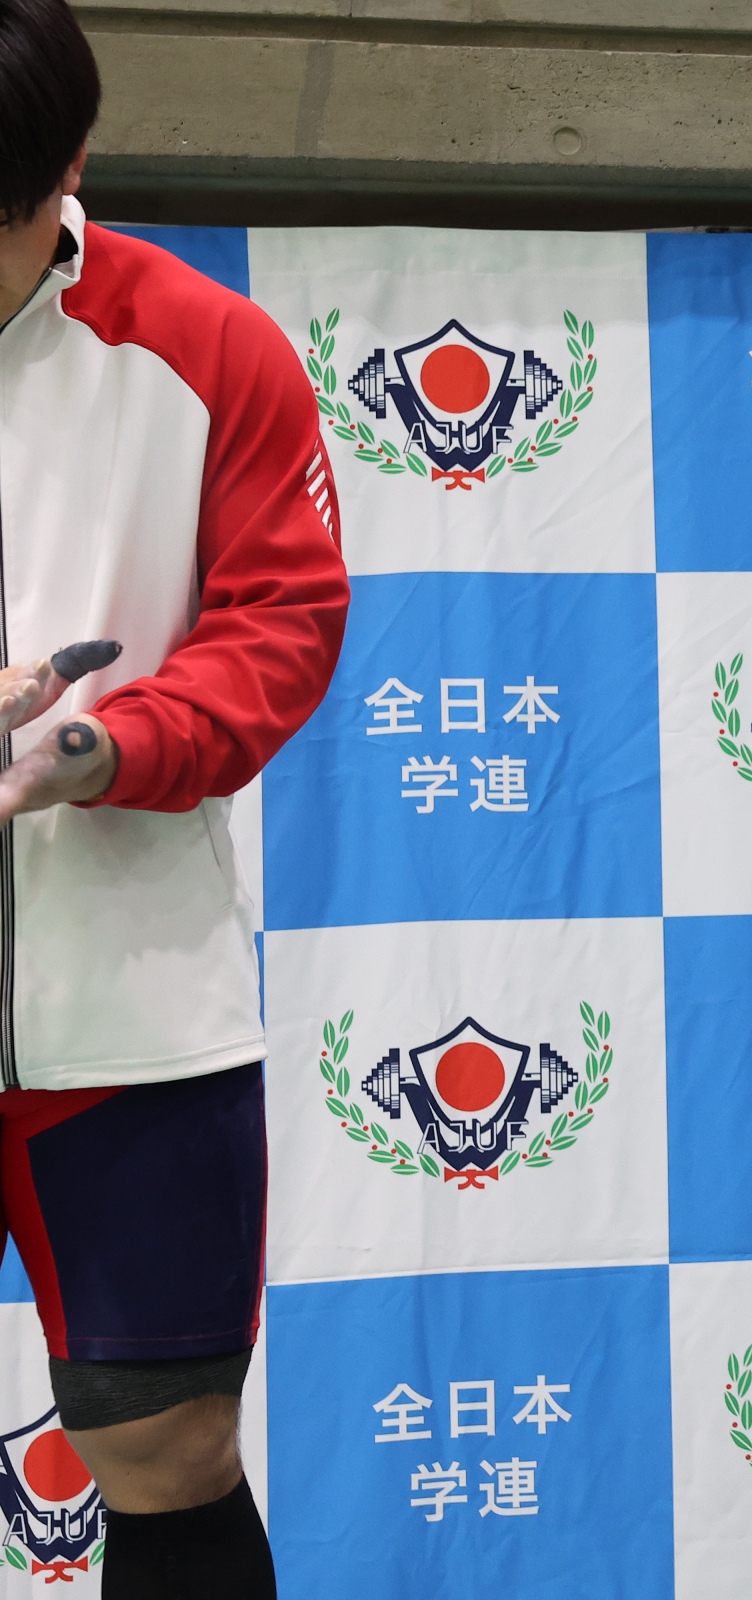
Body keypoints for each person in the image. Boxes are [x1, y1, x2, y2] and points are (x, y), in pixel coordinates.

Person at [0, 2, 350, 1592]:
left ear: (71, 166)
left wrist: (99, 749)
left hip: (131, 1018)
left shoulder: (208, 344)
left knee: (167, 1450)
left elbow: (285, 621)